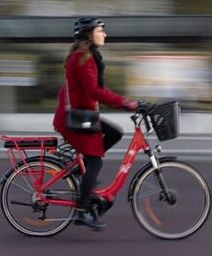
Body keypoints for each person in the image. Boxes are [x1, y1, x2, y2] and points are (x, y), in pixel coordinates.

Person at [52, 17, 138, 231]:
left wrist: (125, 102)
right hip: (74, 119)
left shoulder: (87, 57)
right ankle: (82, 212)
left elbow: (97, 90)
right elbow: (94, 91)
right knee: (96, 163)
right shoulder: (82, 58)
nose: (105, 34)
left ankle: (83, 169)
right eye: (101, 30)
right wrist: (125, 103)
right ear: (89, 34)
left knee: (115, 133)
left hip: (85, 115)